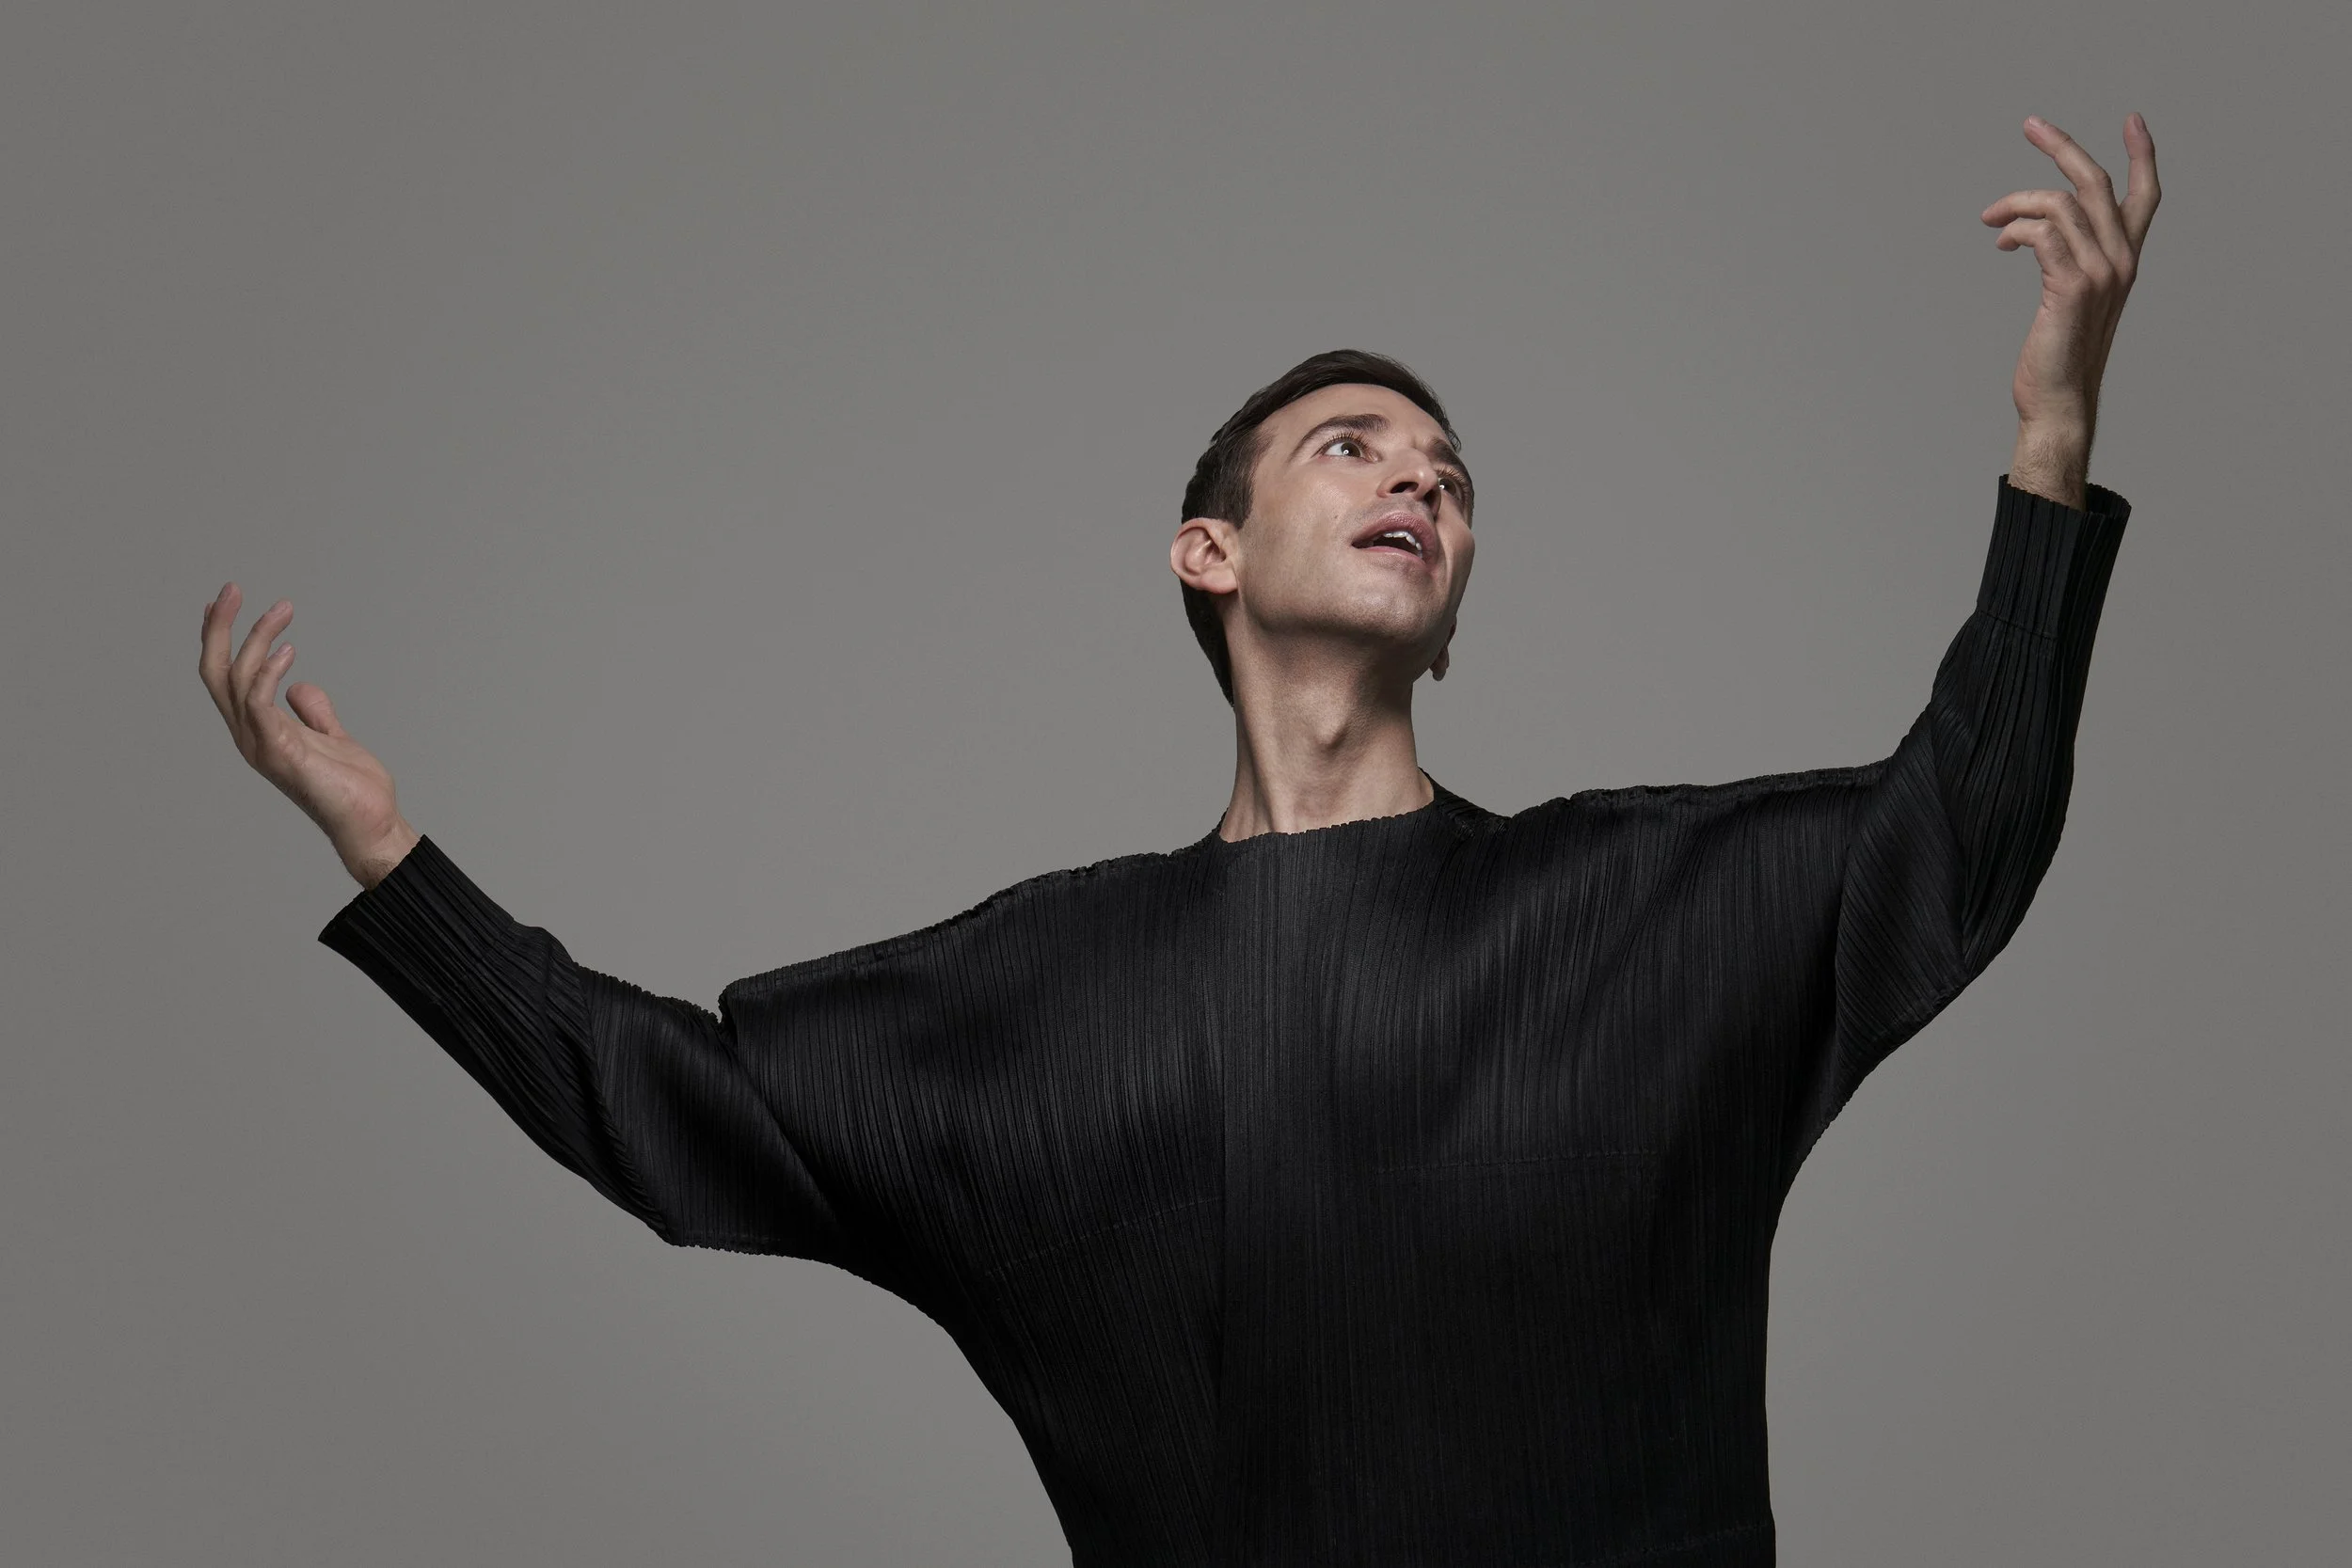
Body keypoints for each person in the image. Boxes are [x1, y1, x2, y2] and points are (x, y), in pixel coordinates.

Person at [198, 114, 2159, 1567]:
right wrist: (393, 859)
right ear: (1207, 554)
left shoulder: (1635, 909)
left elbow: (1954, 831)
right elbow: (656, 1100)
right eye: (1354, 445)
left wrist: (2047, 430)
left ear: (1449, 607)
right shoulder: (1026, 1001)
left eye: (1446, 474)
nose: (1420, 473)